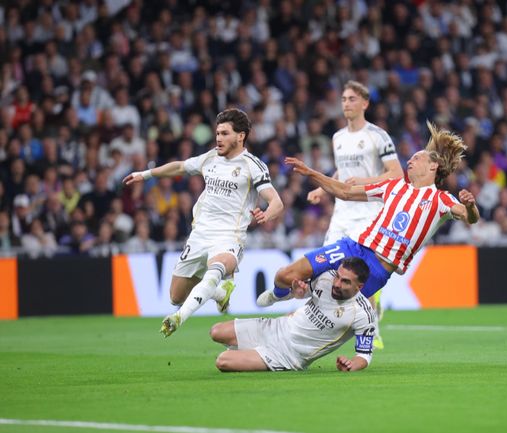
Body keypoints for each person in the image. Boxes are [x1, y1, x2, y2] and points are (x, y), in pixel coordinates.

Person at [258, 121, 479, 309]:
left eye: (417, 158)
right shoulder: (394, 186)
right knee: (285, 275)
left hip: (377, 269)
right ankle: (282, 293)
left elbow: (470, 218)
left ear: (433, 166)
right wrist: (311, 173)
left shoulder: (441, 200)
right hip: (353, 248)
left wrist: (470, 206)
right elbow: (345, 192)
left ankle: (313, 297)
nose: (409, 161)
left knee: (326, 312)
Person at [123, 108, 283, 337]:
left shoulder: (252, 165)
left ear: (241, 136)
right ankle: (220, 293)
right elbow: (179, 166)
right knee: (175, 296)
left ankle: (179, 318)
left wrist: (267, 215)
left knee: (214, 272)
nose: (218, 138)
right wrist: (145, 174)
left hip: (229, 236)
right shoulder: (210, 158)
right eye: (217, 132)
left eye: (225, 133)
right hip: (199, 235)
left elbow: (276, 201)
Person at [307, 80, 402, 348]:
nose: (346, 104)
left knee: (364, 272)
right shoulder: (337, 138)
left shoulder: (378, 136)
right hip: (342, 213)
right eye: (343, 99)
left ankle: (372, 329)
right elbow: (342, 173)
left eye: (351, 99)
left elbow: (396, 173)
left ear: (365, 103)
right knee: (325, 268)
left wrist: (366, 181)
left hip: (369, 213)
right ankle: (324, 327)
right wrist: (322, 189)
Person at [210, 257, 377, 372]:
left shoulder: (363, 313)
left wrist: (351, 365)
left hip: (287, 356)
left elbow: (364, 355)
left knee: (223, 360)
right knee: (216, 332)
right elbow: (300, 293)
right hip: (276, 327)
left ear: (359, 287)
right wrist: (296, 293)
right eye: (338, 277)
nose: (337, 284)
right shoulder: (326, 277)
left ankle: (253, 356)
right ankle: (250, 352)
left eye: (345, 281)